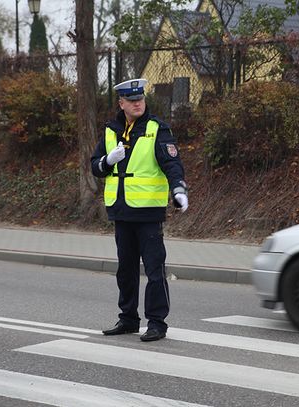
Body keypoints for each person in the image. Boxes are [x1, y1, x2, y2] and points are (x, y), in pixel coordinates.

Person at [91, 78, 188, 342]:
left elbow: (172, 163)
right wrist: (107, 161)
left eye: (140, 100)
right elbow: (95, 166)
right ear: (121, 103)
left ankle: (157, 323)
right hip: (121, 212)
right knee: (126, 269)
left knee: (155, 269)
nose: (137, 104)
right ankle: (128, 319)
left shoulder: (157, 129)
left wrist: (178, 189)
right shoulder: (111, 130)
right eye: (132, 101)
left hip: (148, 213)